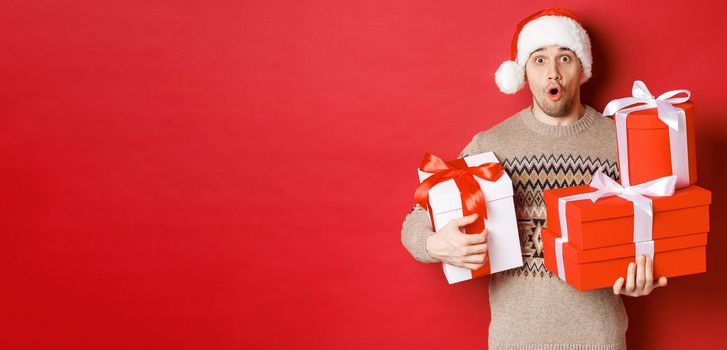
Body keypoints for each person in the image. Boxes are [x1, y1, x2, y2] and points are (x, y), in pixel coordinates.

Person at [401, 7, 667, 350]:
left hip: (599, 340)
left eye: (565, 58)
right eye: (539, 60)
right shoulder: (490, 146)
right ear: (523, 71)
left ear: (582, 67)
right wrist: (437, 245)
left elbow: (658, 232)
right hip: (514, 341)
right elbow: (414, 223)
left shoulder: (620, 142)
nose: (552, 73)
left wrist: (645, 273)